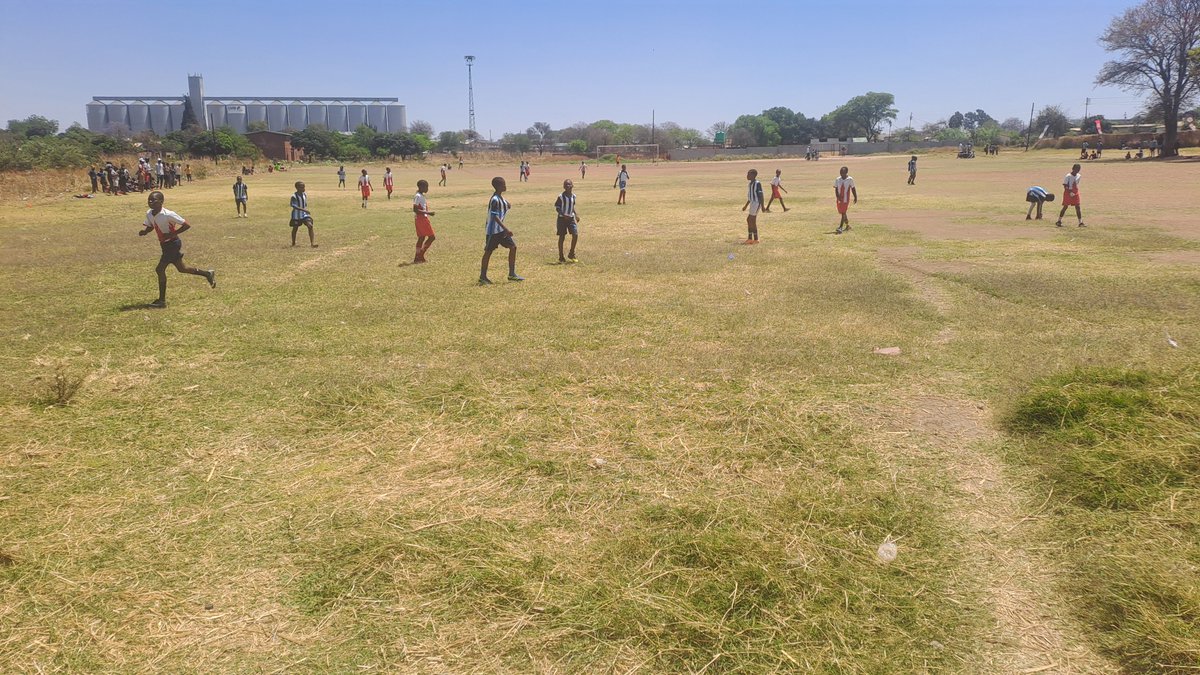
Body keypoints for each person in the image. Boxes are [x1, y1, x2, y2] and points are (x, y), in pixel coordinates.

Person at [137, 190, 215, 308]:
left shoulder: (168, 214)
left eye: (154, 200)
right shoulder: (149, 213)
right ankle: (207, 274)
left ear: (162, 202)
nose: (151, 202)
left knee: (159, 269)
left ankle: (162, 301)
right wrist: (145, 232)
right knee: (182, 268)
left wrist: (173, 234)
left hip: (173, 244)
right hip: (165, 245)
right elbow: (151, 225)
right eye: (149, 200)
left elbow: (186, 225)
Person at [479, 176, 522, 284]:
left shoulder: (501, 198)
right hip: (493, 231)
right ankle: (482, 277)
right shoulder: (494, 200)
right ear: (498, 186)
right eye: (503, 184)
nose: (505, 186)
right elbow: (494, 216)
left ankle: (512, 274)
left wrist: (507, 204)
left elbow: (508, 206)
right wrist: (506, 229)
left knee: (513, 247)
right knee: (488, 252)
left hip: (501, 231)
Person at [555, 179, 580, 263]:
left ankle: (571, 253)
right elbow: (557, 207)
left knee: (575, 234)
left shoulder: (573, 196)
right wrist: (563, 214)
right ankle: (561, 256)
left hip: (571, 219)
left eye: (569, 184)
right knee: (562, 237)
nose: (568, 186)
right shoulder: (561, 197)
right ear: (564, 187)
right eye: (566, 185)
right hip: (562, 219)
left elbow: (572, 206)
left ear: (572, 186)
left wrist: (576, 215)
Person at [412, 179, 436, 263]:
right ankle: (420, 254)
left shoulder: (420, 195)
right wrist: (428, 213)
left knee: (421, 238)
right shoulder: (418, 196)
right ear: (421, 187)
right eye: (426, 187)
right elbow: (415, 209)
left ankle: (417, 257)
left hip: (420, 219)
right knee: (432, 237)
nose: (427, 189)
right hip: (421, 219)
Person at [290, 181, 318, 247]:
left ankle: (312, 244)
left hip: (304, 215)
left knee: (310, 226)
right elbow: (293, 205)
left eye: (304, 187)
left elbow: (304, 203)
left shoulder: (304, 194)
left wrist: (304, 210)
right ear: (297, 188)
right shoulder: (294, 196)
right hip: (296, 216)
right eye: (301, 187)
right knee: (295, 228)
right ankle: (293, 243)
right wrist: (303, 209)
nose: (303, 188)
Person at [742, 169, 764, 244]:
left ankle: (755, 239)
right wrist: (745, 205)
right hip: (752, 203)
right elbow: (750, 197)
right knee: (749, 220)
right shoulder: (750, 184)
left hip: (757, 203)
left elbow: (761, 195)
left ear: (754, 175)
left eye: (749, 174)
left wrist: (763, 206)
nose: (747, 176)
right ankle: (751, 238)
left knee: (752, 220)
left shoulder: (757, 183)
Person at [833, 166, 857, 234]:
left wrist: (855, 197)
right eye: (840, 173)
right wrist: (838, 197)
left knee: (843, 212)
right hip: (839, 199)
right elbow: (836, 189)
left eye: (843, 173)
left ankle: (840, 227)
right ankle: (847, 226)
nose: (841, 174)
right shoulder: (838, 179)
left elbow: (853, 188)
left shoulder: (850, 179)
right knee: (842, 212)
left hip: (846, 199)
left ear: (846, 173)